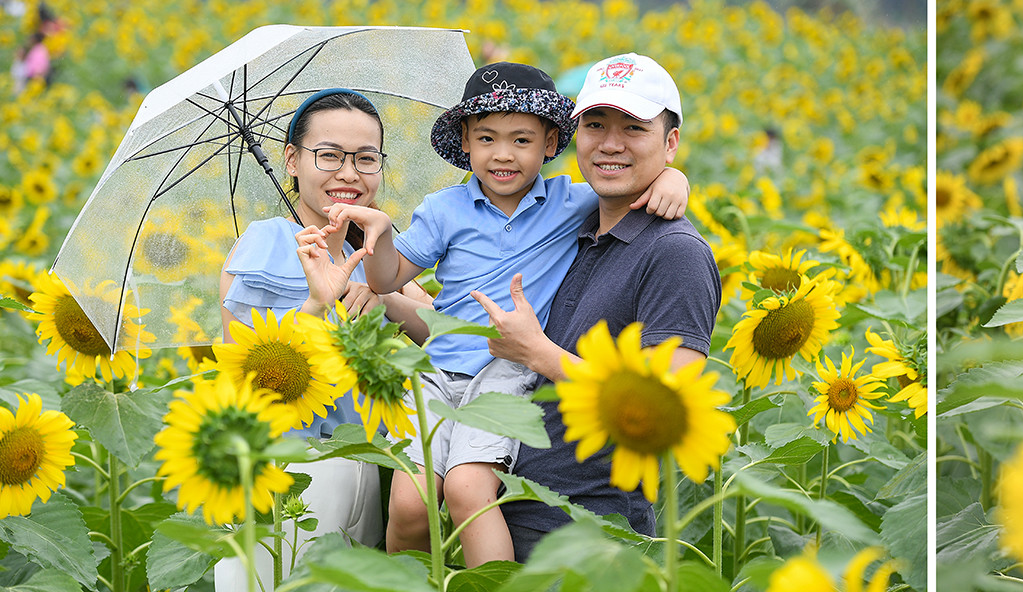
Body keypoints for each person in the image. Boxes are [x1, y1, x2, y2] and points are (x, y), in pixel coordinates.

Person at [327, 63, 689, 566]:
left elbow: (628, 184)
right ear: (466, 143)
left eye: (521, 139)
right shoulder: (444, 209)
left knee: (468, 489)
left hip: (507, 367)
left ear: (548, 144)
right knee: (409, 500)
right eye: (487, 139)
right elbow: (386, 279)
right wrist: (380, 235)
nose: (503, 154)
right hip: (435, 371)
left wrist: (674, 177)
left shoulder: (572, 201)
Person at [480, 55, 721, 559]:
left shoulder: (674, 252)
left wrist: (538, 354)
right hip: (512, 513)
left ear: (670, 143)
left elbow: (664, 401)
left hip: (591, 531)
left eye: (633, 128)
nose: (610, 143)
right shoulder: (571, 227)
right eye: (594, 125)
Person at [214, 90, 436, 592]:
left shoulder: (375, 247)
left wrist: (385, 300)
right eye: (329, 155)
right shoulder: (264, 243)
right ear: (292, 160)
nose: (349, 174)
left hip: (370, 463)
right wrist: (317, 303)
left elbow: (443, 334)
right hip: (286, 470)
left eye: (366, 158)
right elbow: (247, 375)